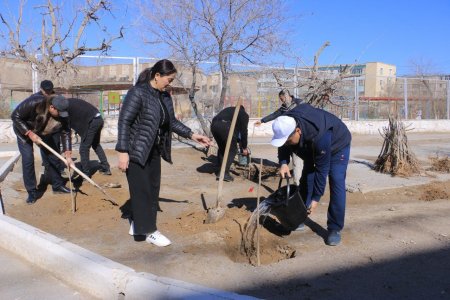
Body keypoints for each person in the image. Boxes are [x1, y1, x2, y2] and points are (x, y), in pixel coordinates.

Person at [116, 59, 210, 247]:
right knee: (141, 191)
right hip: (136, 150)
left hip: (154, 150)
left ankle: (138, 223)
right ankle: (150, 231)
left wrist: (192, 135)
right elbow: (124, 121)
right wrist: (123, 151)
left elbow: (171, 122)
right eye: (169, 78)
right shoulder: (138, 93)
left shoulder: (164, 97)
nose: (170, 83)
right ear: (157, 76)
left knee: (152, 190)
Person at [270, 103, 351, 246]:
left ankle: (334, 228)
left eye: (288, 140)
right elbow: (284, 144)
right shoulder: (285, 122)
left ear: (298, 131)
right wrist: (283, 162)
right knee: (307, 178)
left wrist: (316, 198)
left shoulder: (320, 135)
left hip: (337, 145)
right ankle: (298, 218)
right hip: (310, 146)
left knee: (336, 180)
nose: (287, 144)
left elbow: (322, 170)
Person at [11, 89, 75, 204]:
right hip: (23, 131)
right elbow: (15, 116)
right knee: (28, 159)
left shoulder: (62, 112)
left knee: (54, 157)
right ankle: (32, 191)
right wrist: (29, 133)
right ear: (52, 107)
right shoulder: (34, 102)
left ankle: (57, 185)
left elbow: (66, 132)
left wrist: (68, 155)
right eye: (59, 112)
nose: (62, 115)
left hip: (42, 131)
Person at [255, 89, 304, 185]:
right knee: (286, 160)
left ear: (286, 96)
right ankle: (297, 186)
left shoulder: (300, 104)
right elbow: (274, 114)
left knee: (297, 163)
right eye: (281, 99)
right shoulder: (284, 108)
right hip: (286, 139)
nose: (282, 101)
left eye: (282, 99)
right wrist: (262, 121)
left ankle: (298, 187)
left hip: (297, 138)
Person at [63, 97, 111, 177]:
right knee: (96, 145)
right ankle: (106, 168)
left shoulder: (65, 107)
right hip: (98, 119)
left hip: (92, 121)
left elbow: (68, 128)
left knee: (84, 149)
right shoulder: (69, 102)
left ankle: (85, 173)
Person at [210, 105, 249, 182]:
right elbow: (244, 132)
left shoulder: (230, 110)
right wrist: (244, 147)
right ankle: (224, 173)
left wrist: (238, 141)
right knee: (233, 150)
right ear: (243, 110)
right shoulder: (243, 114)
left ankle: (221, 169)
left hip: (214, 125)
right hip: (225, 126)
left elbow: (236, 131)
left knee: (222, 149)